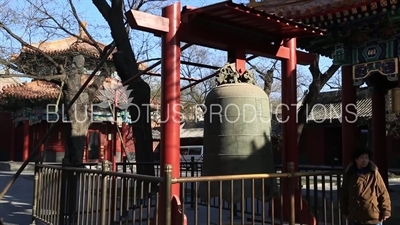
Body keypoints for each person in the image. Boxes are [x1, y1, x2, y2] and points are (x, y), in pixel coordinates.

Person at [340, 148, 391, 224]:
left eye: (366, 158)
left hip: (372, 215)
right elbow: (344, 194)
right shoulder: (349, 174)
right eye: (362, 158)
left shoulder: (373, 173)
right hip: (355, 216)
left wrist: (386, 211)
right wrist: (344, 211)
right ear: (356, 159)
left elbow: (383, 192)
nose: (364, 160)